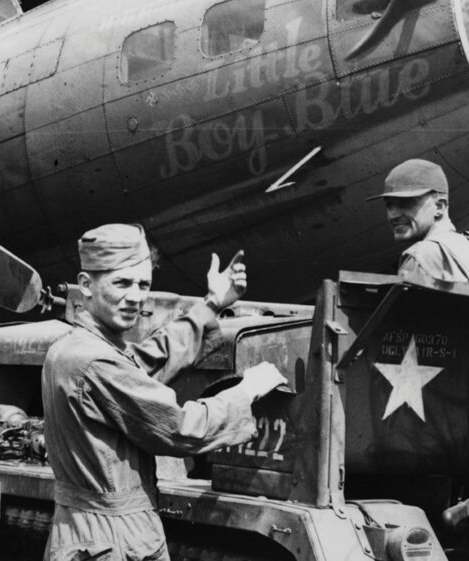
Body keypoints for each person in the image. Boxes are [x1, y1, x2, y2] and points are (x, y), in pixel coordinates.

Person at [41, 223, 287, 561]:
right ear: (86, 285)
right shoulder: (94, 360)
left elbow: (143, 365)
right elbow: (179, 428)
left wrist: (212, 303)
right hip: (115, 538)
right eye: (122, 283)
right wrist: (246, 392)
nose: (136, 297)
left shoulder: (76, 348)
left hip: (90, 532)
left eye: (143, 284)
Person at [367, 159, 469, 284]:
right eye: (389, 205)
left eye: (405, 203)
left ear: (439, 206)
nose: (393, 215)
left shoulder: (420, 256)